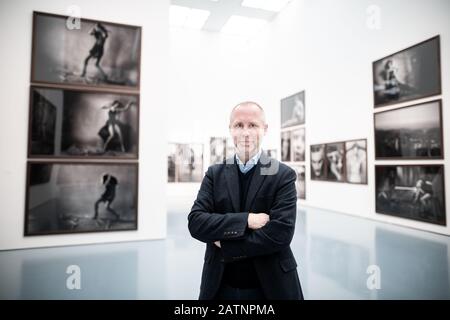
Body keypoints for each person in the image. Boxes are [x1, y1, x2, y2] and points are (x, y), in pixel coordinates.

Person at [188, 101, 303, 300]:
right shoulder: (214, 174)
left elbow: (280, 233)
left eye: (253, 125)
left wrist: (227, 245)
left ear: (264, 129)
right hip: (220, 285)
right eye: (239, 125)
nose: (245, 133)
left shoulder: (283, 175)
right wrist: (248, 220)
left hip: (270, 286)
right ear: (230, 129)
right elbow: (196, 222)